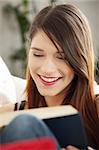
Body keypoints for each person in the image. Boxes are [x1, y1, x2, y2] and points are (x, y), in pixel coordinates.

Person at [0, 4, 99, 150]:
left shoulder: (95, 107)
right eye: (38, 54)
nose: (47, 69)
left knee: (23, 124)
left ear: (79, 60)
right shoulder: (14, 112)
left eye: (62, 57)